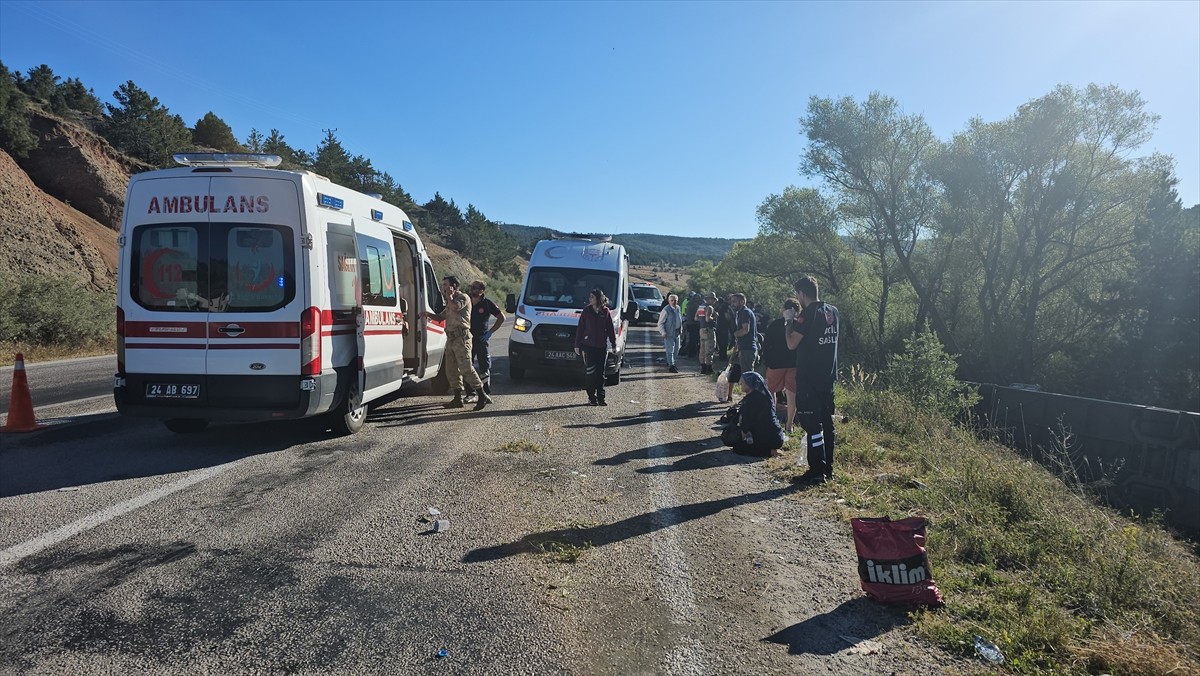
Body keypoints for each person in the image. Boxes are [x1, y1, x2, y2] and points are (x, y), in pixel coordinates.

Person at [786, 275, 840, 482]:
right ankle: (829, 469)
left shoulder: (807, 315)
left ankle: (817, 470)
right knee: (827, 424)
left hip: (809, 377)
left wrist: (788, 321)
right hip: (828, 377)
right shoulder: (833, 311)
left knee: (812, 425)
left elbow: (791, 343)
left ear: (801, 293)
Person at [423, 276, 492, 411]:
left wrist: (449, 296)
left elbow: (455, 307)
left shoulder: (463, 298)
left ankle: (481, 395)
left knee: (466, 368)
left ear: (454, 286)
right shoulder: (450, 302)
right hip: (451, 338)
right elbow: (441, 316)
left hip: (462, 338)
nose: (444, 288)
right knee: (451, 370)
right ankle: (457, 398)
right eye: (443, 285)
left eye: (446, 285)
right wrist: (427, 314)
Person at [721, 371, 785, 457]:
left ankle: (770, 452)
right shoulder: (761, 395)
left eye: (743, 382)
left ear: (749, 384)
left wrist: (743, 440)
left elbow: (746, 424)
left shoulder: (752, 401)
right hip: (776, 435)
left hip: (771, 438)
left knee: (739, 448)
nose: (741, 384)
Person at [462, 280, 505, 403]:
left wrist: (490, 332)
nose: (472, 289)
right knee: (467, 366)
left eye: (475, 288)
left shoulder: (487, 303)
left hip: (481, 339)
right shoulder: (466, 301)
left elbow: (501, 317)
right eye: (471, 287)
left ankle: (485, 394)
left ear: (481, 291)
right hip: (467, 338)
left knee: (484, 367)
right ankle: (470, 394)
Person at [762, 299, 800, 433]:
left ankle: (771, 421)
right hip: (794, 364)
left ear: (783, 310)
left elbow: (766, 345)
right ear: (797, 311)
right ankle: (789, 425)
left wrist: (766, 361)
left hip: (775, 363)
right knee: (792, 395)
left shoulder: (775, 324)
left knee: (770, 392)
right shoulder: (799, 326)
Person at [574, 287, 618, 406]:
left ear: (598, 298)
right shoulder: (586, 311)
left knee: (600, 373)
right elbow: (580, 328)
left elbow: (610, 330)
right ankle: (591, 397)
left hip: (601, 347)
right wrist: (577, 345)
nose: (590, 299)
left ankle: (601, 397)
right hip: (588, 347)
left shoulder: (605, 312)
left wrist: (614, 344)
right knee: (590, 373)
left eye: (592, 297)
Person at [730, 292, 758, 377]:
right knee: (739, 373)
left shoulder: (745, 312)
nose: (732, 304)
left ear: (742, 302)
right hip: (743, 348)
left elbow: (745, 330)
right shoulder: (741, 312)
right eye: (731, 302)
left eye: (734, 301)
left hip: (747, 348)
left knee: (747, 376)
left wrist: (735, 334)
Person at [656, 293, 683, 373]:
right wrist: (663, 332)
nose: (674, 302)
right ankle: (671, 365)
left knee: (677, 350)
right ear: (669, 301)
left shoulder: (678, 308)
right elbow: (660, 323)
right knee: (670, 350)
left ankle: (672, 362)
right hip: (669, 332)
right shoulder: (666, 310)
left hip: (677, 332)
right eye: (672, 300)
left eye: (675, 300)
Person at [697, 291, 718, 374]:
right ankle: (709, 368)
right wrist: (714, 317)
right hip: (708, 330)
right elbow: (707, 319)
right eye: (714, 299)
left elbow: (696, 318)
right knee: (709, 349)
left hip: (701, 329)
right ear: (711, 299)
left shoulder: (700, 307)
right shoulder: (709, 307)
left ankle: (702, 367)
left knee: (702, 348)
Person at [683, 291, 702, 358]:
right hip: (694, 324)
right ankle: (692, 353)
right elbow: (698, 315)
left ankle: (689, 353)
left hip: (689, 323)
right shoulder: (696, 306)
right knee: (694, 340)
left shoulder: (689, 304)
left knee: (690, 339)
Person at [714, 293, 732, 362]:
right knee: (724, 343)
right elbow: (727, 317)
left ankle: (721, 356)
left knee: (722, 342)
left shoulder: (721, 305)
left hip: (719, 326)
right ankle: (723, 357)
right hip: (724, 326)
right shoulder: (725, 306)